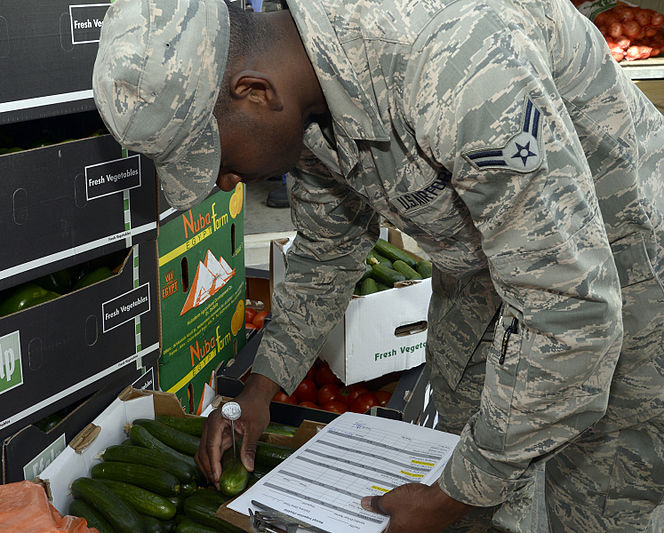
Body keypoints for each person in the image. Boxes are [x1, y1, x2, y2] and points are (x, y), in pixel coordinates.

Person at [92, 0, 664, 530]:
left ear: (254, 92)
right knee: (475, 459)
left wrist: (450, 498)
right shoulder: (304, 92)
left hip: (623, 269)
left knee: (597, 498)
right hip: (486, 271)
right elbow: (326, 250)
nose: (225, 181)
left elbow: (570, 310)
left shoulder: (456, 64)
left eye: (215, 156)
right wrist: (259, 388)